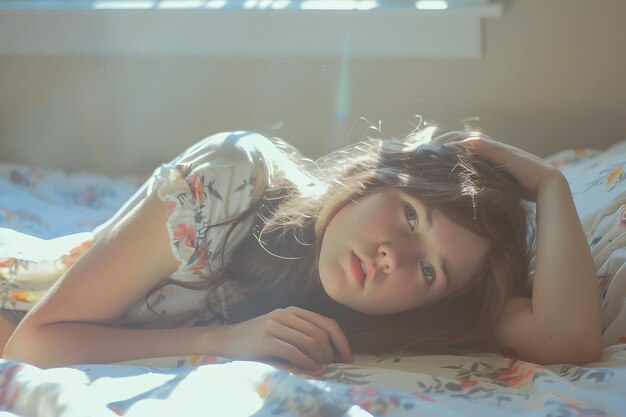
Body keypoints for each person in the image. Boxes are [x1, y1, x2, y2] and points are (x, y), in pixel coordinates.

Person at [2, 126, 602, 370]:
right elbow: (32, 342)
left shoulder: (405, 313)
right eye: (411, 215)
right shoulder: (233, 178)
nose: (394, 255)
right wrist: (224, 340)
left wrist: (551, 188)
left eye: (428, 270)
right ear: (376, 178)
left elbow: (566, 337)